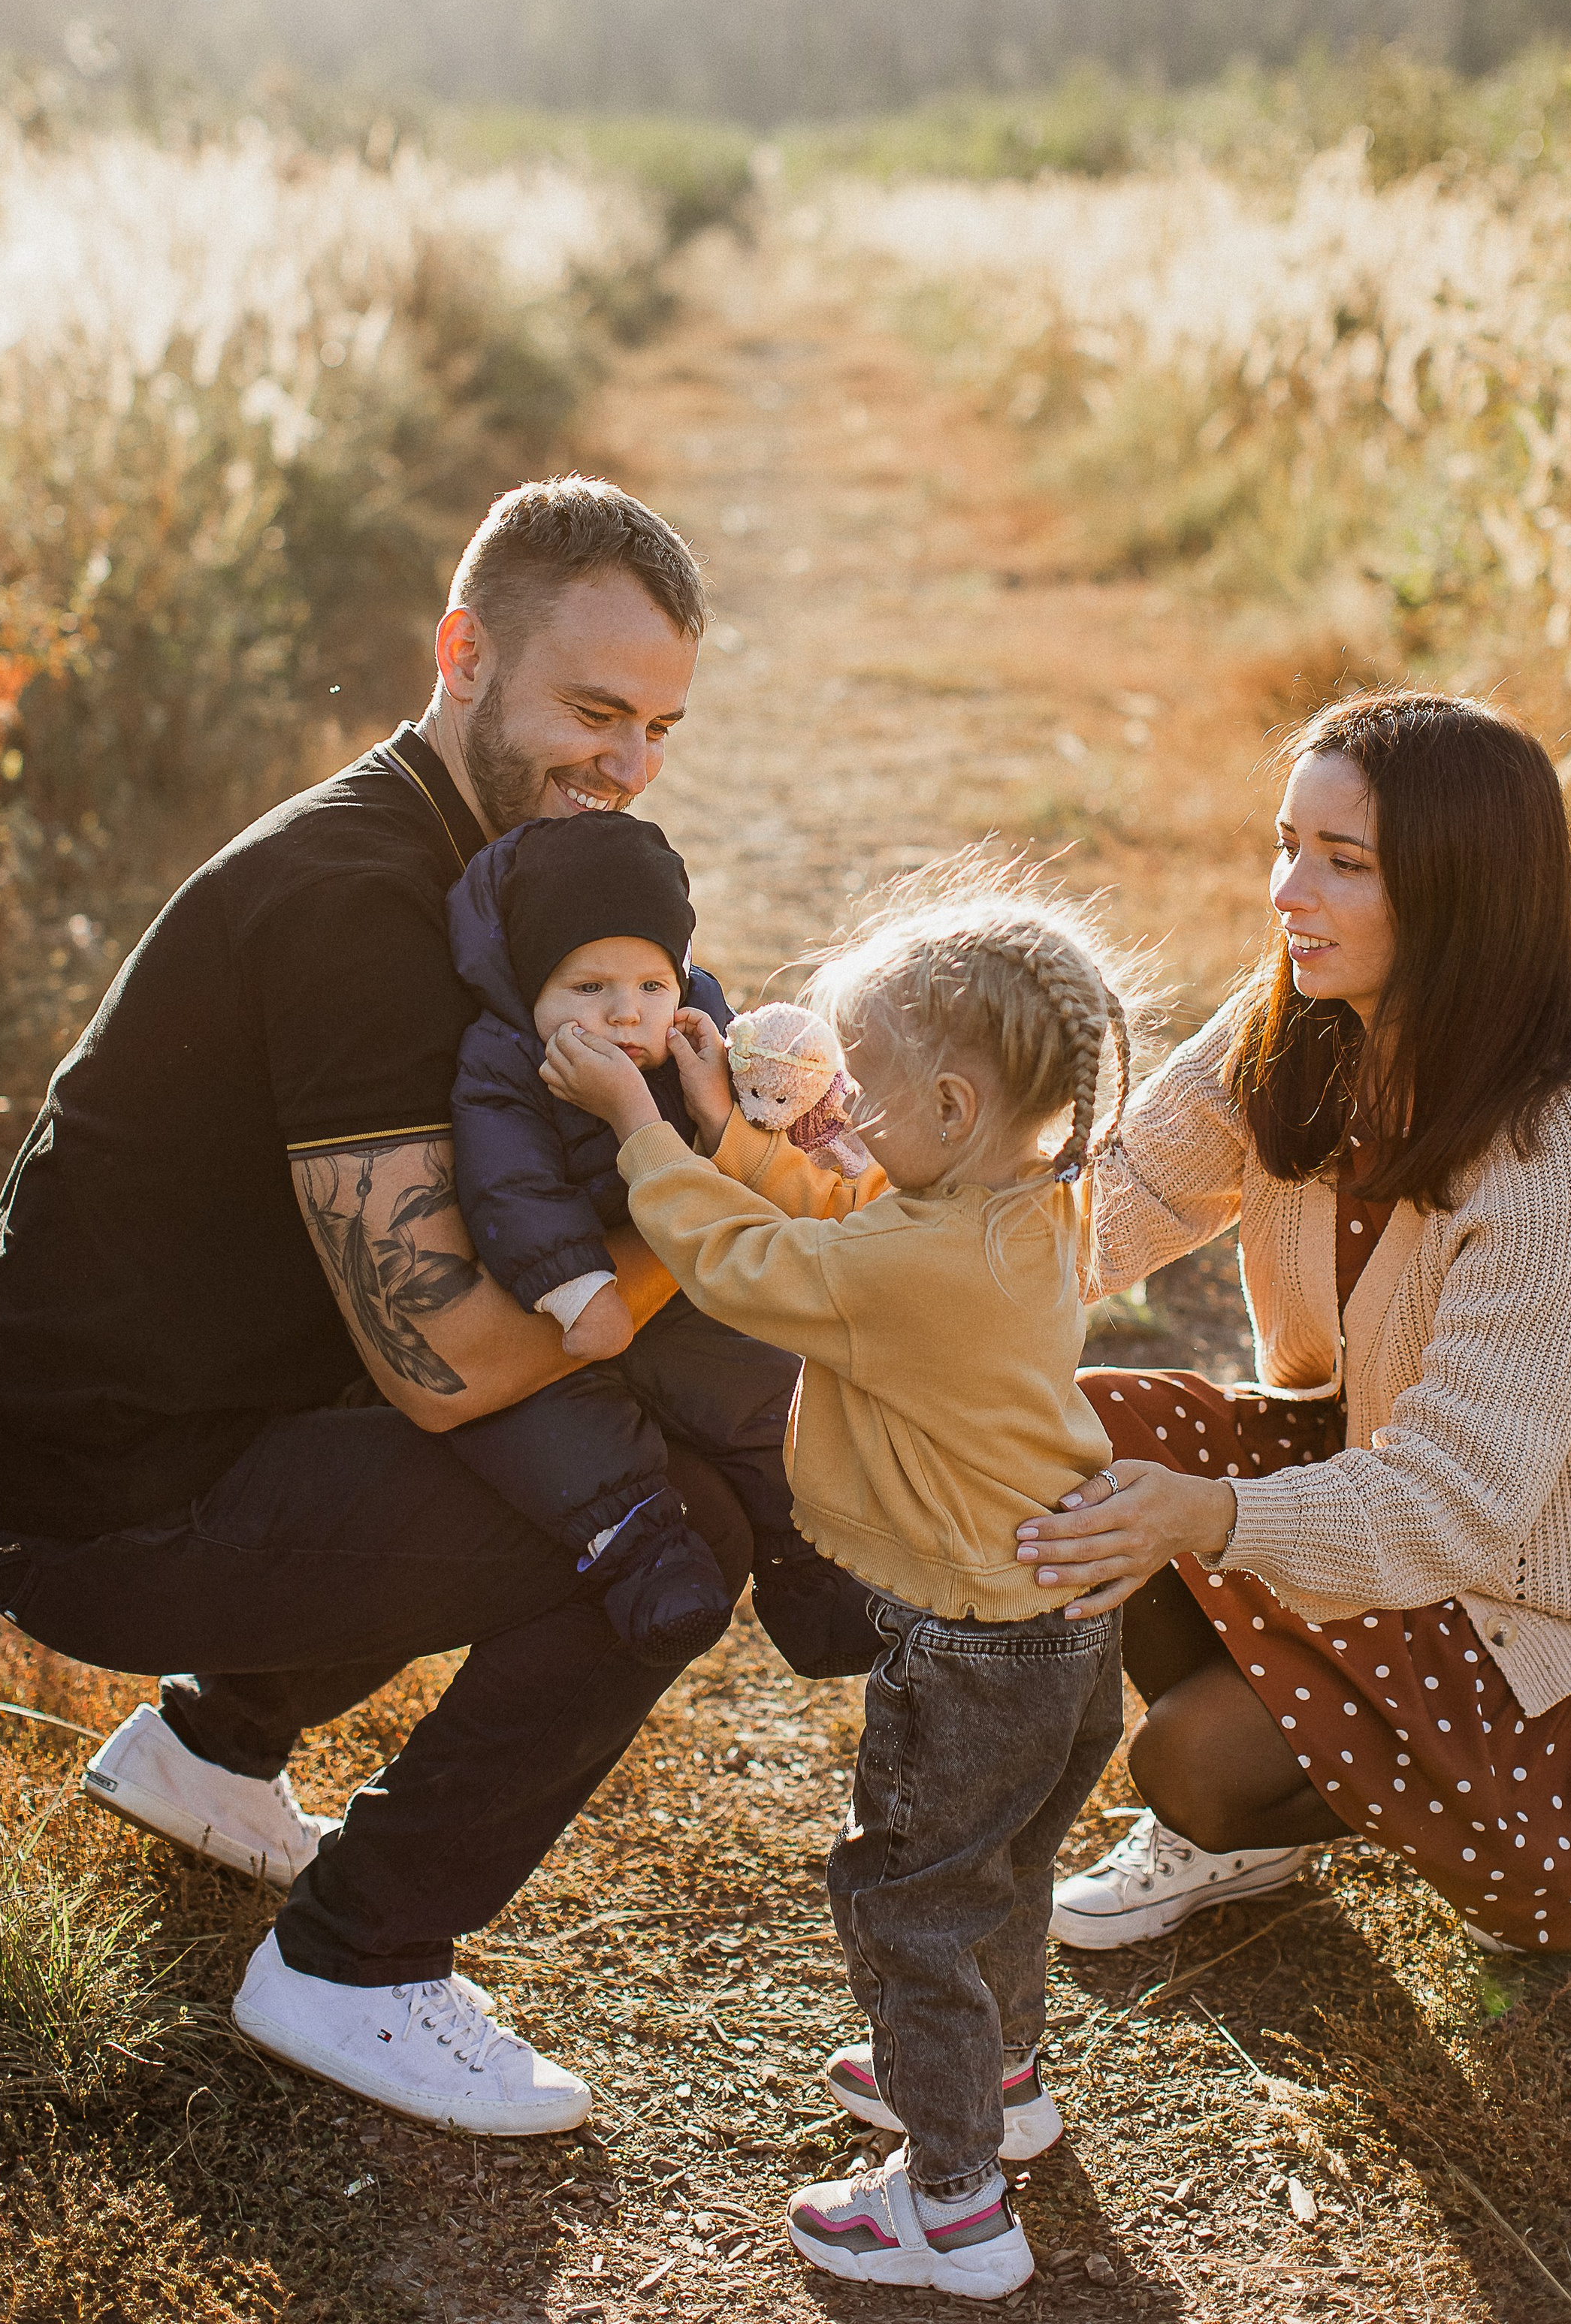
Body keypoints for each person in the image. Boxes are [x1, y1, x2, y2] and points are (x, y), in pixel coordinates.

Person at [0, 475, 831, 2136]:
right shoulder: (359, 905)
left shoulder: (488, 873)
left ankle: (215, 1752)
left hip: (193, 1416)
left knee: (615, 1386)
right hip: (101, 1503)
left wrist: (715, 1120)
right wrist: (715, 1209)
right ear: (463, 652)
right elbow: (450, 1364)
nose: (626, 767)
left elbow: (523, 1179)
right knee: (660, 1519)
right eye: (592, 711)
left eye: (661, 729)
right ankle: (357, 1959)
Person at [1010, 690, 1571, 1961]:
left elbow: (1459, 1500)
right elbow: (1121, 1193)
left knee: (1195, 1768)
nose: (1289, 891)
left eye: (1343, 863)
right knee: (1050, 1423)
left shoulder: (1567, 1134)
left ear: (1461, 892)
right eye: (1287, 845)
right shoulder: (1292, 1018)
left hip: (1529, 1609)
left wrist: (1208, 1515)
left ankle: (1297, 1756)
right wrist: (914, 1276)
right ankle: (1303, 1743)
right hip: (1352, 1496)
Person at [545, 881, 1134, 2301]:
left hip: (973, 1647)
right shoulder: (1023, 1206)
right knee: (997, 1871)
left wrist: (642, 1132)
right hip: (1066, 1635)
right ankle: (998, 2079)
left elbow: (755, 1268)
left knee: (907, 1900)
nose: (841, 1115)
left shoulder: (908, 1257)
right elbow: (845, 1207)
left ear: (947, 1104)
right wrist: (740, 1131)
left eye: (862, 1091)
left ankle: (954, 2203)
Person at [444, 806, 868, 1671]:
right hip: (556, 1309)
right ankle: (650, 1566)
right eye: (587, 990)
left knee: (764, 1396)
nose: (624, 1016)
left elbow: (770, 1123)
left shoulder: (693, 1033)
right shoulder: (503, 1061)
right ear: (531, 985)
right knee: (566, 1443)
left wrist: (744, 1100)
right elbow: (508, 1185)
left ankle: (822, 1583)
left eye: (648, 986)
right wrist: (576, 1291)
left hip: (677, 1287)